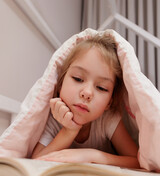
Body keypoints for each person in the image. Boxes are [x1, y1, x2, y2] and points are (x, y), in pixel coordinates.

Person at [32, 34, 139, 168]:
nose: (87, 93)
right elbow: (36, 161)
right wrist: (69, 131)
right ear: (60, 85)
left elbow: (137, 160)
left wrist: (93, 156)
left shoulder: (108, 119)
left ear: (109, 103)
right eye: (78, 79)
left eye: (101, 87)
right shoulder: (54, 116)